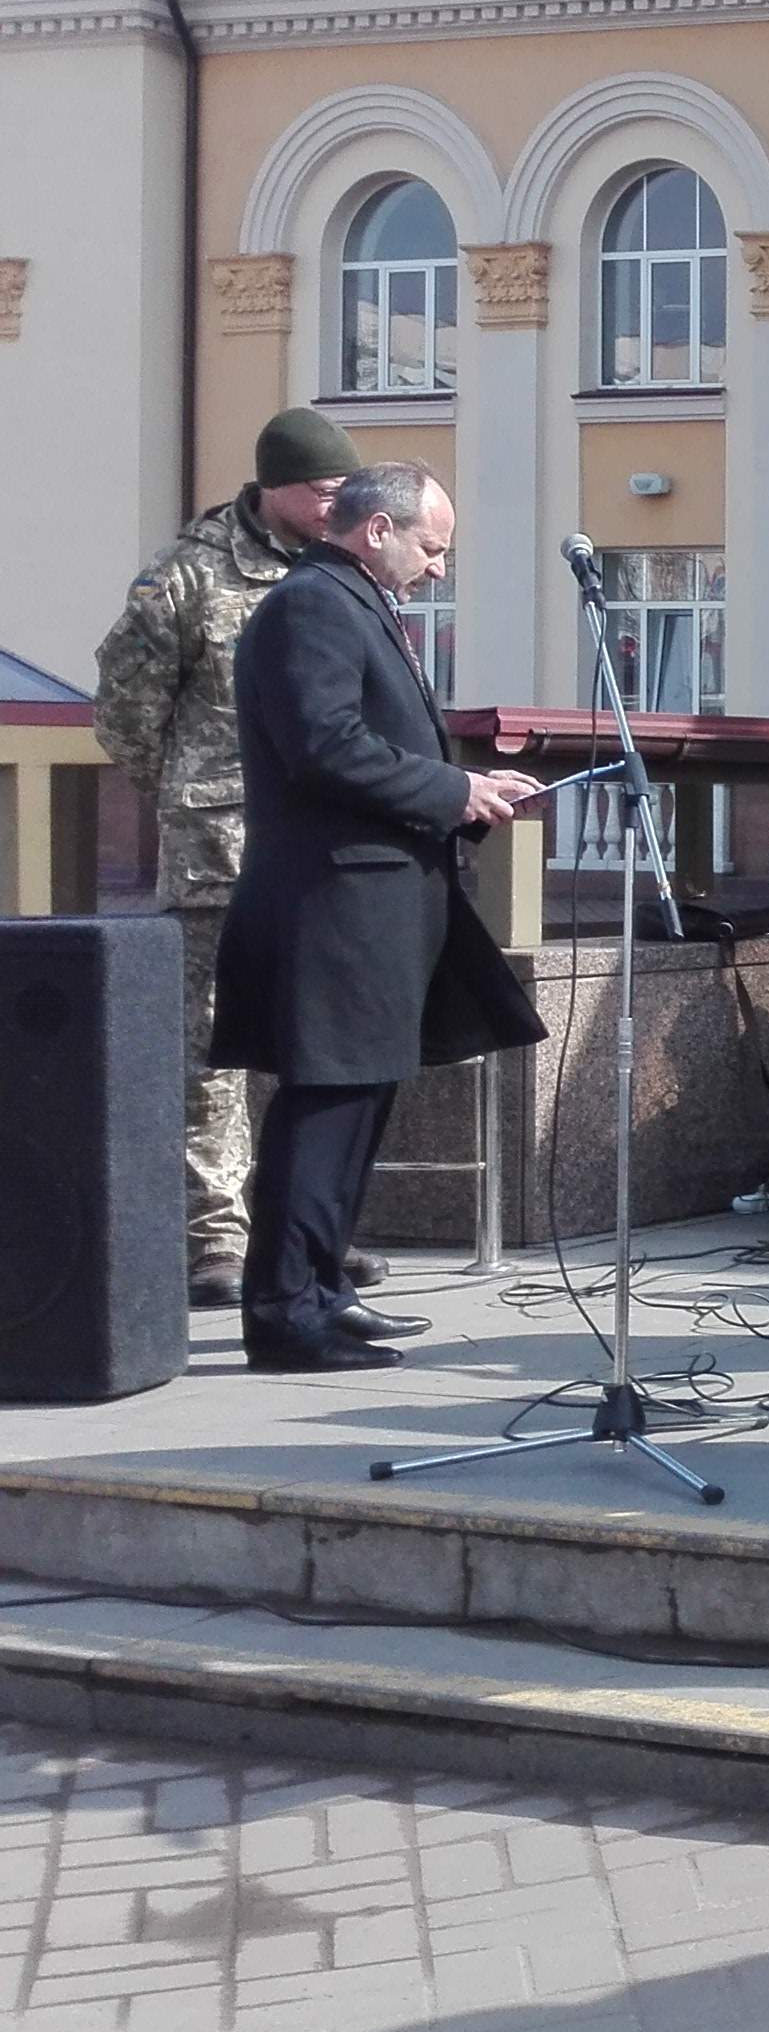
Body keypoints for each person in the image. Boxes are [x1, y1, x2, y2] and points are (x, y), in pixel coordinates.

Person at [207, 461, 545, 1368]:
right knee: (324, 1111)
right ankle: (284, 1313)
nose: (439, 569)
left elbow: (370, 743)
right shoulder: (310, 605)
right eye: (431, 548)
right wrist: (454, 787)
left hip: (377, 905)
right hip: (333, 908)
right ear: (377, 530)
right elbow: (325, 747)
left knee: (358, 1110)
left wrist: (466, 788)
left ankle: (323, 1288)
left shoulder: (353, 600)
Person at [93, 408, 362, 1308]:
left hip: (322, 849)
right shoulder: (191, 575)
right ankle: (217, 1239)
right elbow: (126, 708)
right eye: (324, 492)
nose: (338, 506)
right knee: (212, 1054)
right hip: (219, 853)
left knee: (315, 1047)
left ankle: (306, 1235)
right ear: (273, 487)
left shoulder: (348, 569)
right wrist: (190, 788)